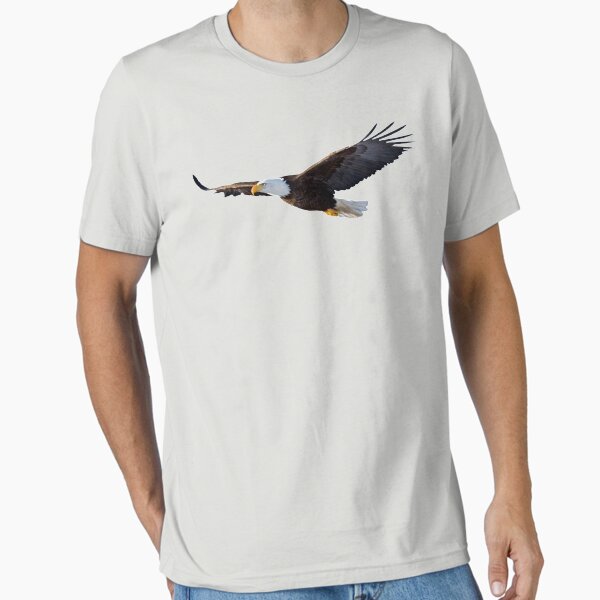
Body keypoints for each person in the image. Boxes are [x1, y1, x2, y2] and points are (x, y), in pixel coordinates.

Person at [76, 1, 544, 599]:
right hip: (240, 567)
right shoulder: (148, 87)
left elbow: (481, 285)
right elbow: (102, 293)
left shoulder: (432, 66)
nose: (263, 191)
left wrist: (514, 489)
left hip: (419, 552)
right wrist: (150, 505)